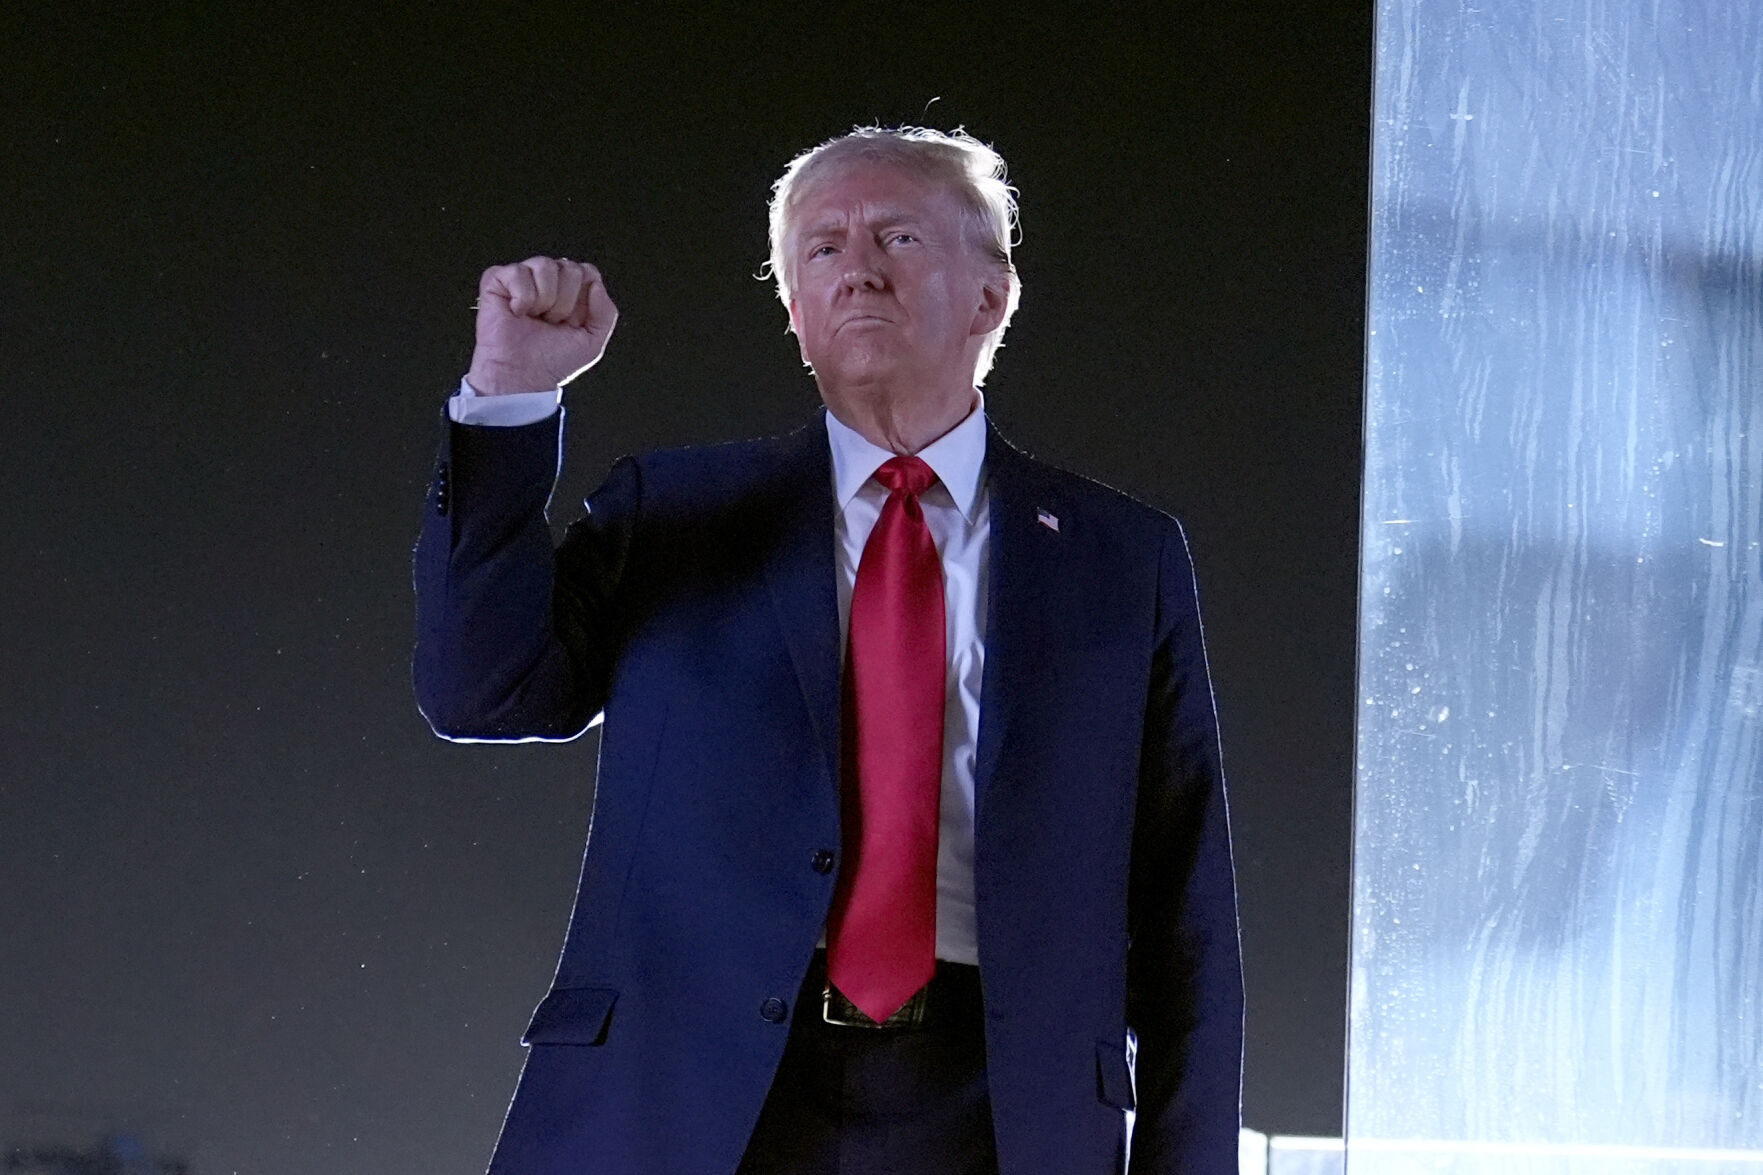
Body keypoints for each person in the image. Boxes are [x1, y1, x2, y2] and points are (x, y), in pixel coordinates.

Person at [414, 126, 1241, 1175]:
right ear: (795, 313)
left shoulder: (1124, 560)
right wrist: (509, 400)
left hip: (999, 1112)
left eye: (896, 235)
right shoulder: (672, 511)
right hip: (685, 1100)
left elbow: (1186, 915)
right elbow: (478, 689)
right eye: (821, 248)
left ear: (992, 297)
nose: (856, 265)